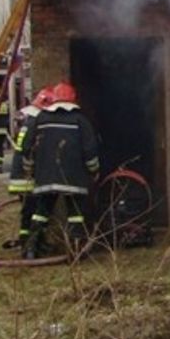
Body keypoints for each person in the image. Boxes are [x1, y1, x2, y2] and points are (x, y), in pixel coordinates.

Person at [23, 80, 100, 260]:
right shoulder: (80, 121)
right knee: (75, 214)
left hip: (46, 177)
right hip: (73, 178)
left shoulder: (40, 119)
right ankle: (74, 251)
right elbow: (90, 150)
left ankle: (31, 249)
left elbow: (27, 146)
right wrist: (93, 171)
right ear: (73, 99)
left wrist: (31, 169)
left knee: (41, 212)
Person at [4, 86, 54, 251]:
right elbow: (28, 149)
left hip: (22, 175)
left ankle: (32, 242)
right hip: (26, 177)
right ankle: (30, 244)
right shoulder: (36, 122)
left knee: (30, 210)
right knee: (35, 210)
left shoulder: (30, 120)